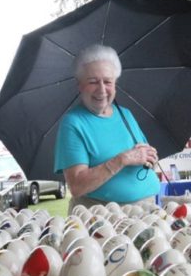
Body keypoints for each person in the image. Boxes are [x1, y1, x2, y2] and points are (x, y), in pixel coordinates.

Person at [54, 44, 160, 214]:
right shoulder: (73, 123)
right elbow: (76, 185)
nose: (102, 90)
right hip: (103, 217)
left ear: (115, 83)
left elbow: (143, 155)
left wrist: (149, 158)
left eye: (108, 81)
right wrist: (121, 159)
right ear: (79, 85)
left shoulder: (125, 114)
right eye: (93, 82)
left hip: (146, 209)